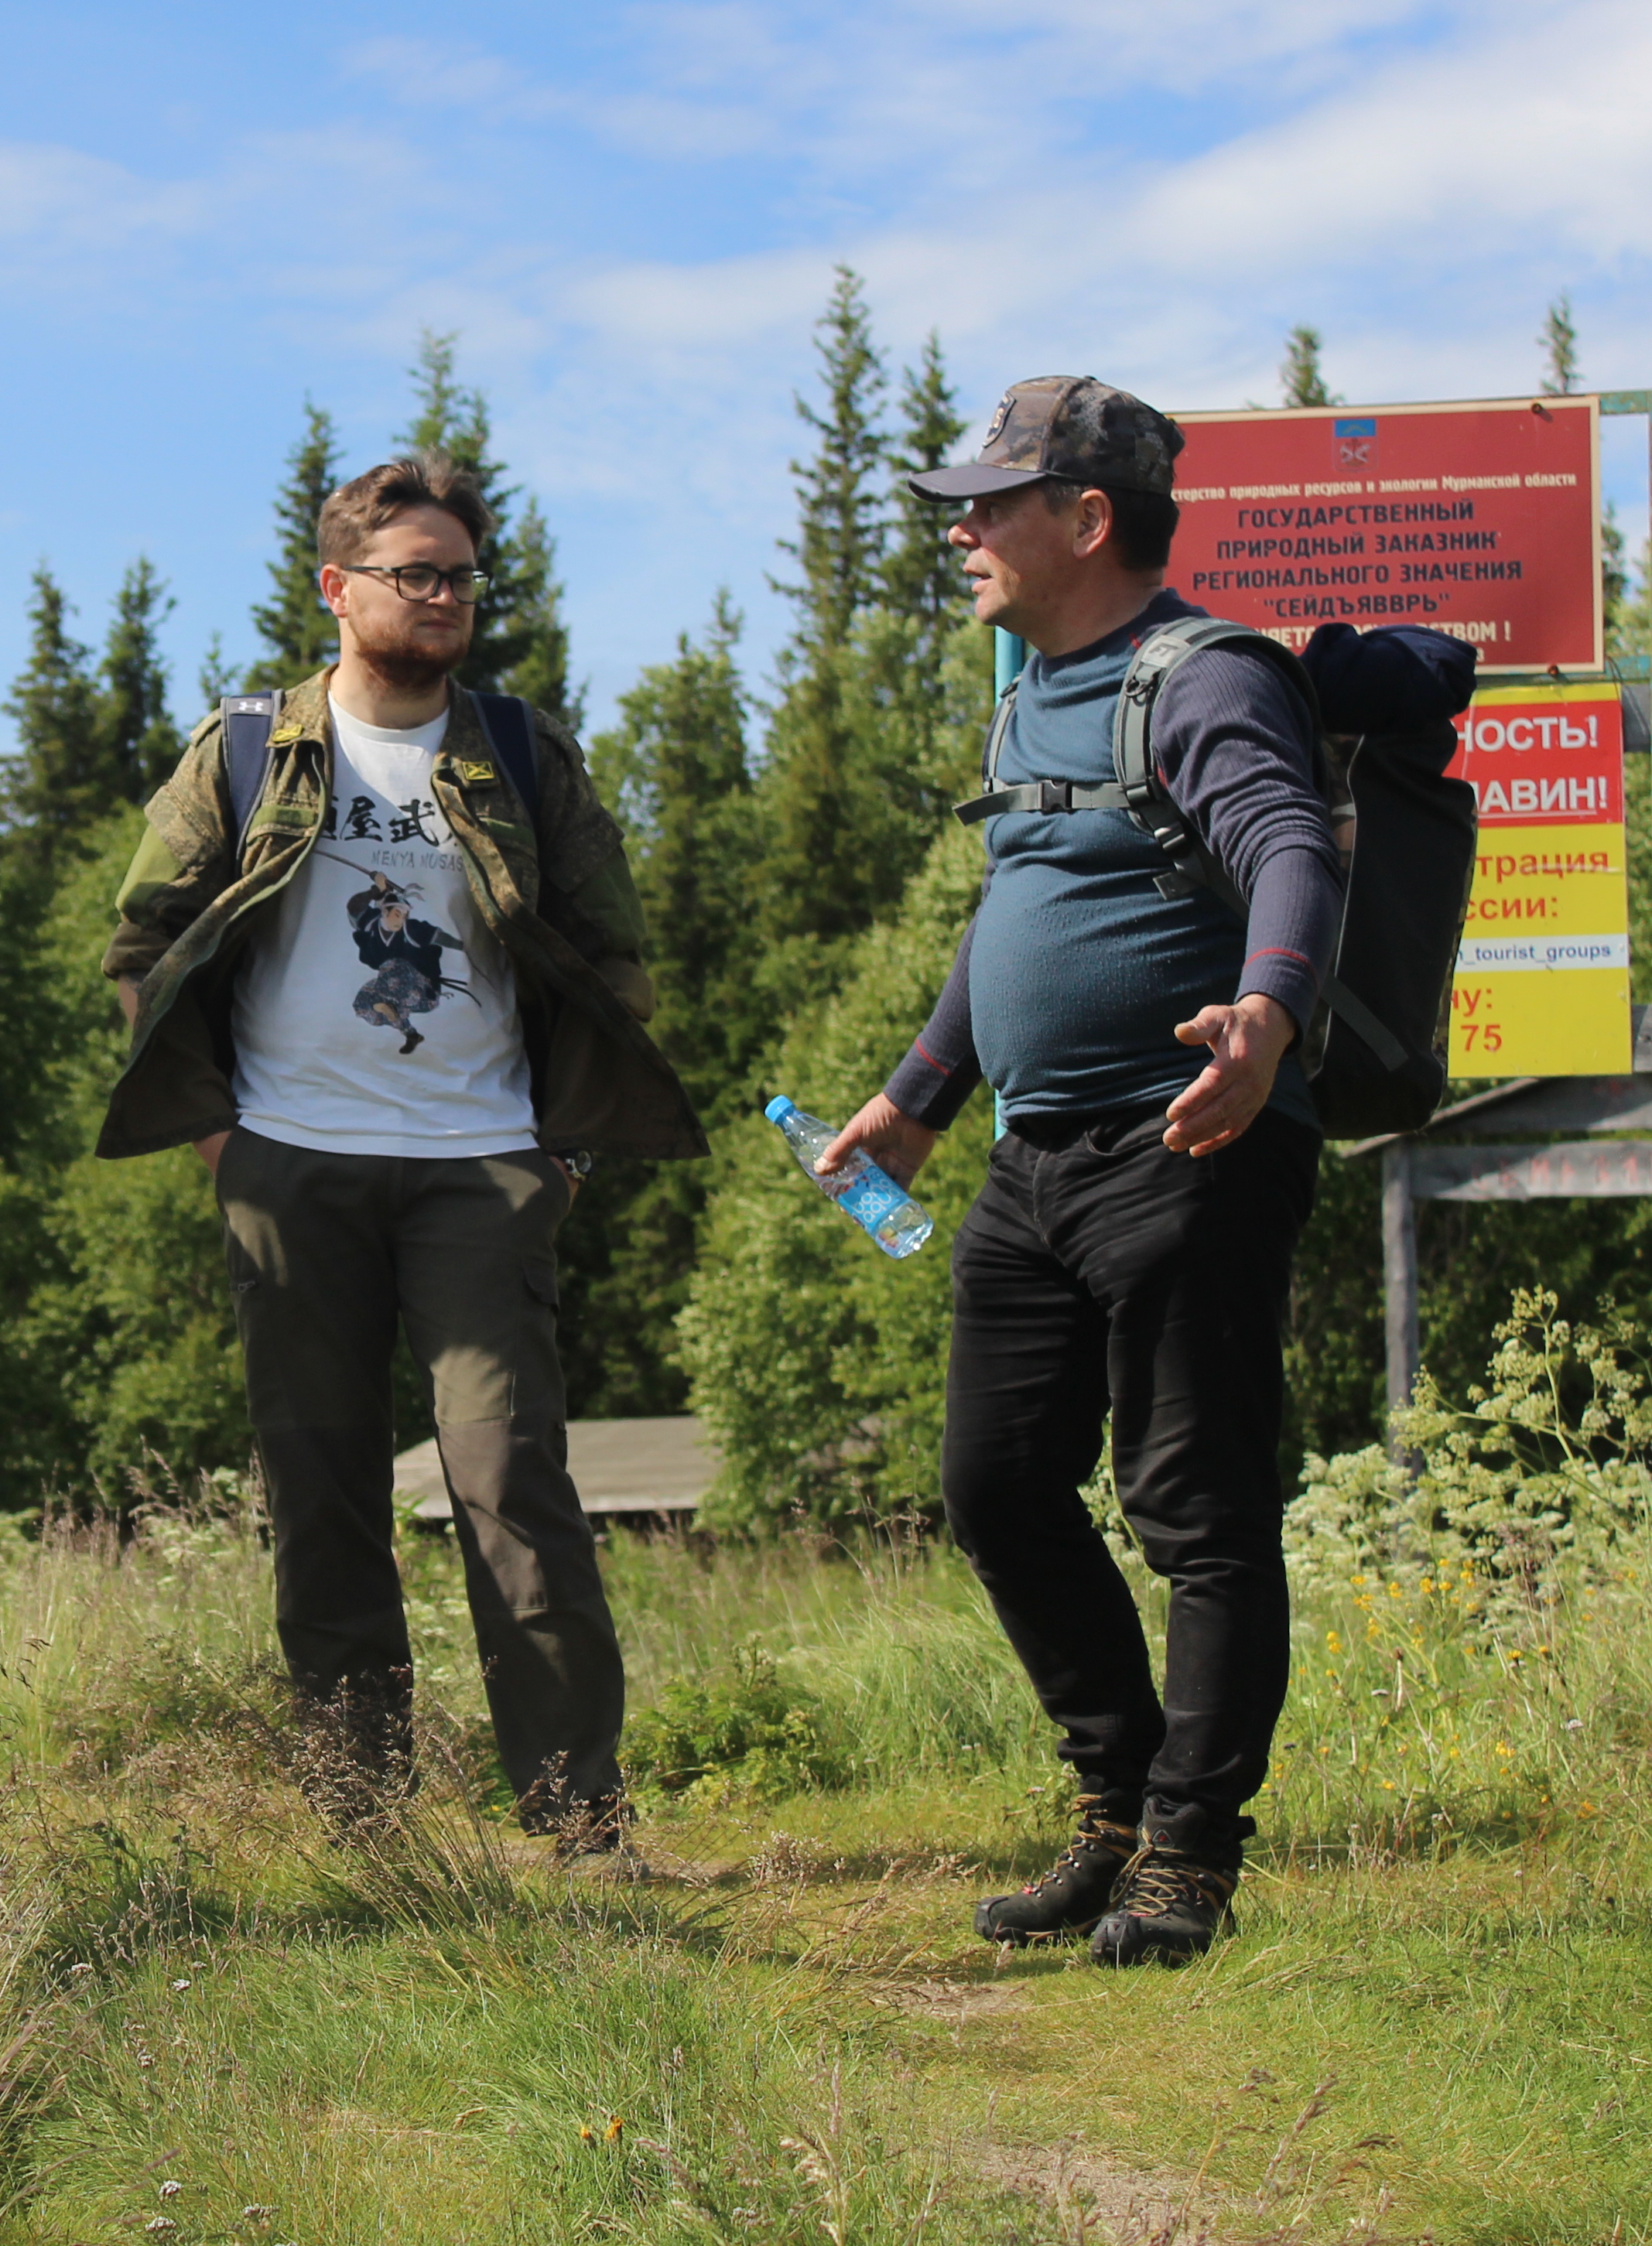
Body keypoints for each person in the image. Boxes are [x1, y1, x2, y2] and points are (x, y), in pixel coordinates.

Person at [99, 453, 703, 1855]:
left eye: (460, 578)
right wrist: (215, 1137)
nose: (443, 599)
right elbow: (142, 943)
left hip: (481, 1168)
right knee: (322, 1500)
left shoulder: (521, 750)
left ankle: (576, 1824)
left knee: (511, 1489)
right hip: (287, 1169)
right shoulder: (249, 746)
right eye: (414, 575)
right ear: (338, 587)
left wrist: (562, 1154)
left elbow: (616, 956)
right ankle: (365, 1828)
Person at [816, 374, 1348, 1965]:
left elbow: (1288, 845)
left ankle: (1189, 1855)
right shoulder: (1030, 693)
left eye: (989, 503)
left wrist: (1262, 1020)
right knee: (993, 1485)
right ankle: (1112, 1810)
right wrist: (919, 1099)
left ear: (1087, 519)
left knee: (1194, 1509)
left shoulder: (1203, 680)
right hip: (1034, 1160)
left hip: (1190, 1144)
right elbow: (1014, 915)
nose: (962, 530)